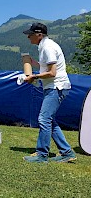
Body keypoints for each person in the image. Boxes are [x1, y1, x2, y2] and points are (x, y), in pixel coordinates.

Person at [22, 22, 76, 163]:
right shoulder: (45, 46)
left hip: (56, 87)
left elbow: (52, 73)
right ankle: (67, 152)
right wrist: (34, 64)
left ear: (39, 35)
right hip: (54, 87)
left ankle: (42, 155)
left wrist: (34, 77)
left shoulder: (48, 47)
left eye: (31, 34)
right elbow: (48, 66)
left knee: (44, 119)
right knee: (49, 120)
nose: (28, 37)